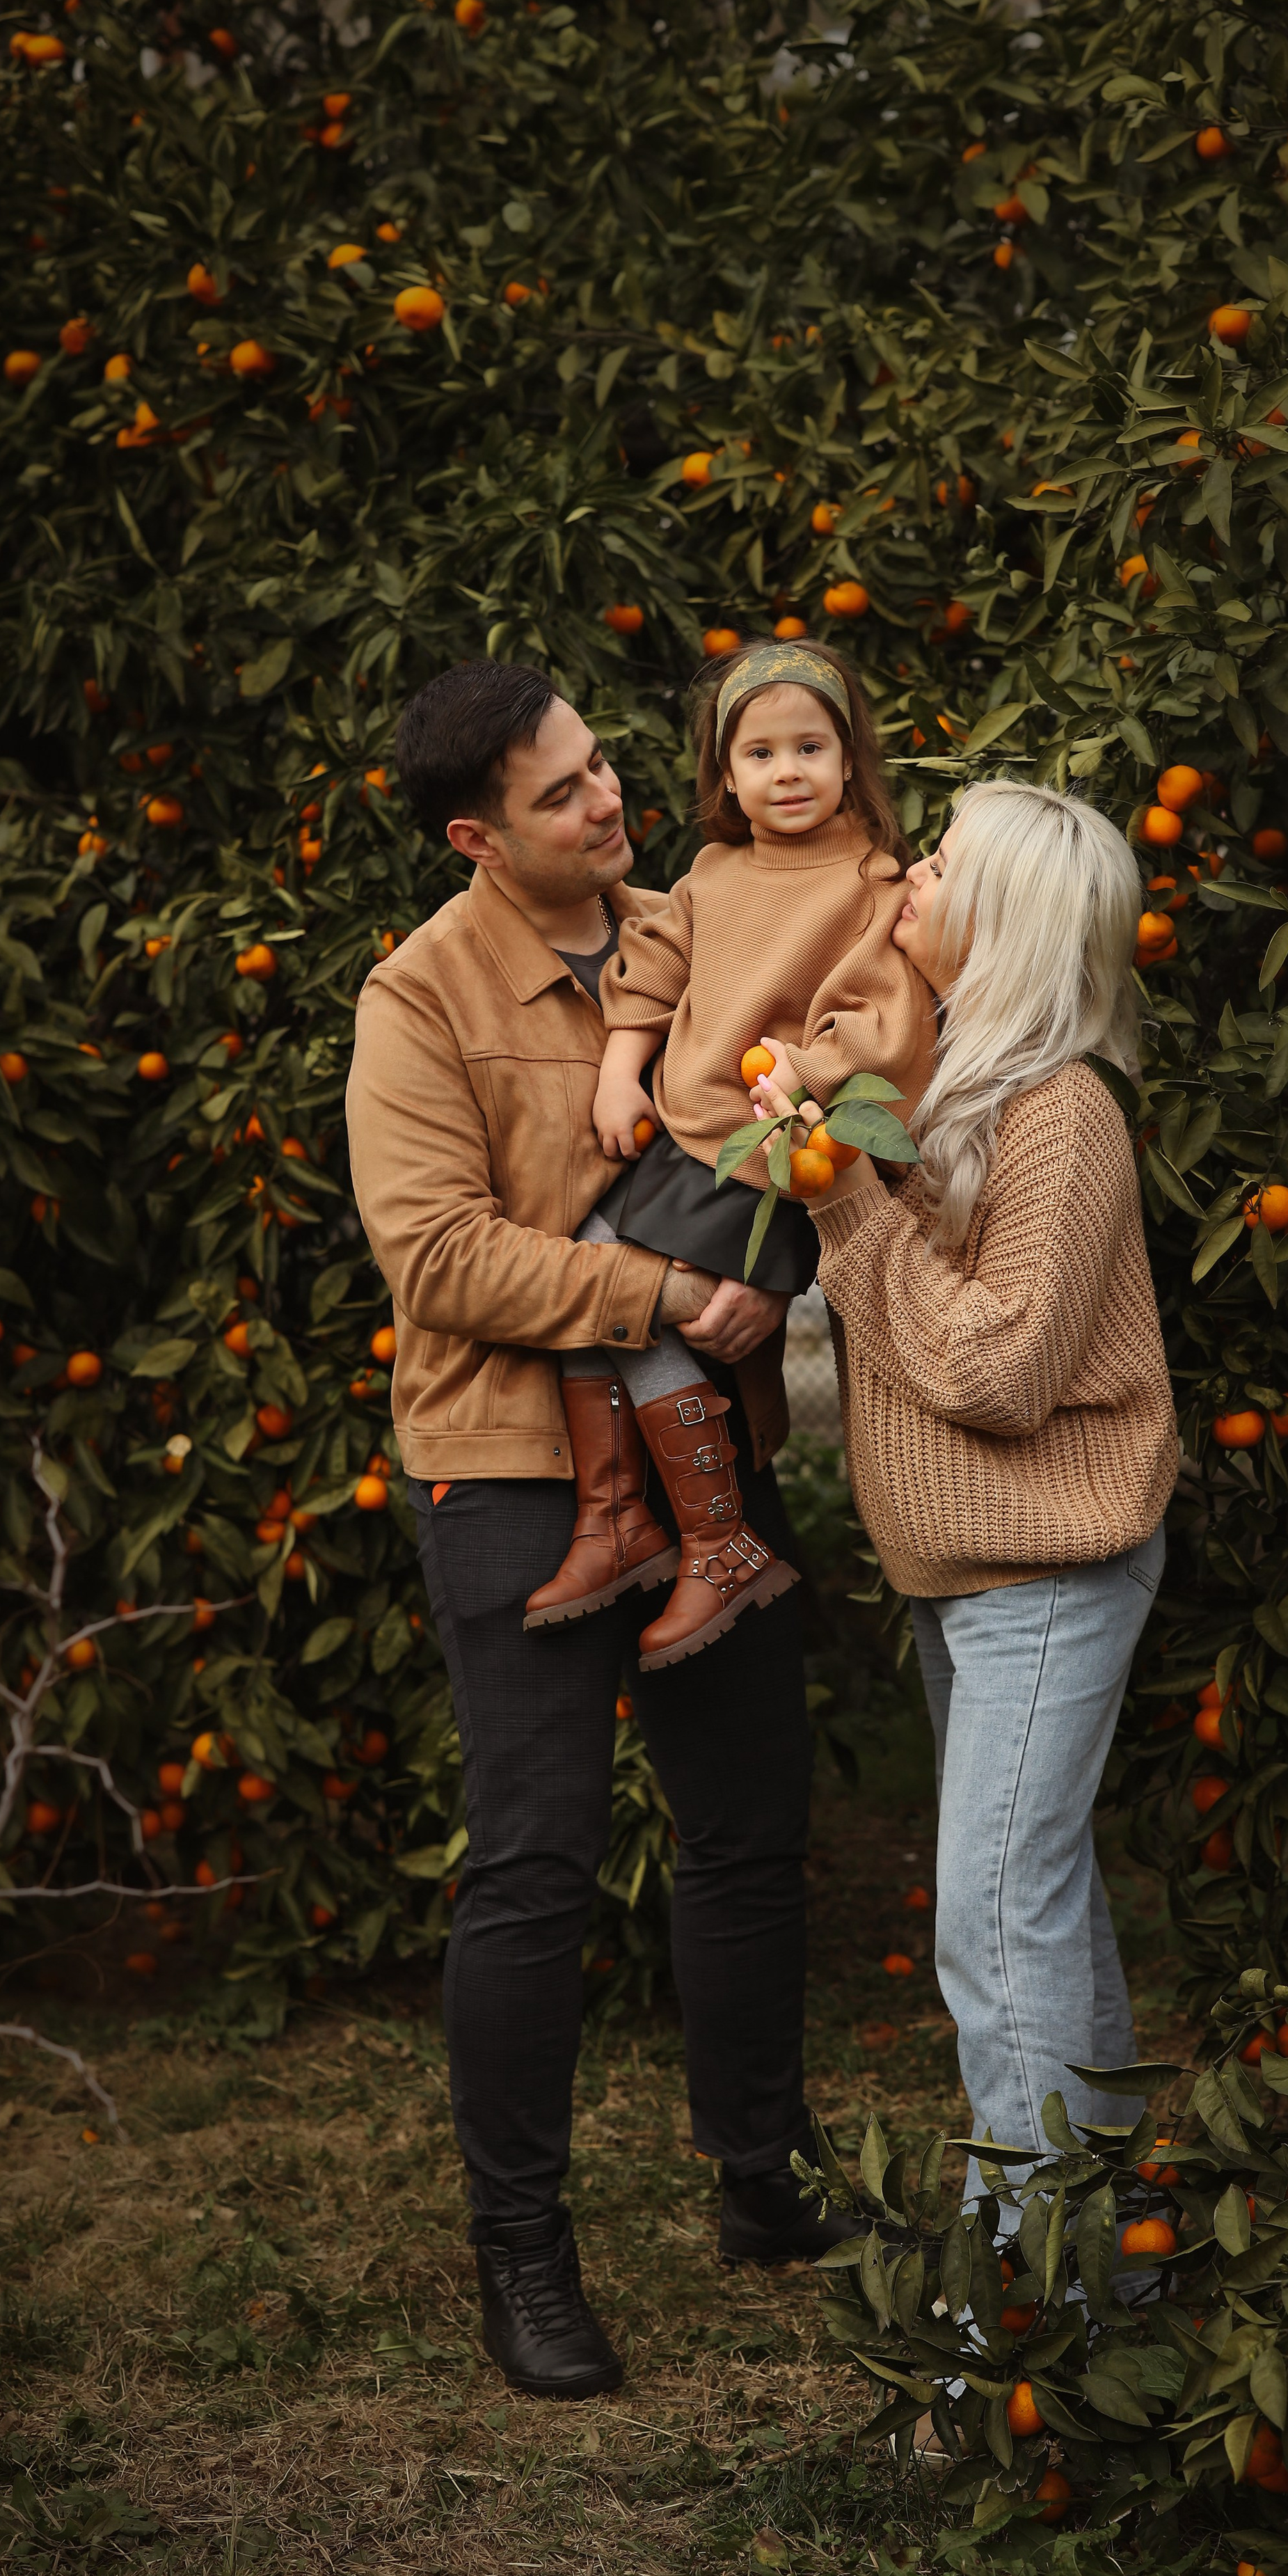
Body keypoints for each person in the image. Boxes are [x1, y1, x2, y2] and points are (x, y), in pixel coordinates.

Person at [344, 658, 854, 2406]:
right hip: (507, 1470)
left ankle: (761, 2179)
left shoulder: (698, 916)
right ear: (480, 836)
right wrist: (660, 1286)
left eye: (604, 764)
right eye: (564, 792)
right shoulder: (416, 996)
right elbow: (441, 1256)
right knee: (538, 1862)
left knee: (744, 1827)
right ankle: (525, 2256)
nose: (611, 796)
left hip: (706, 1438)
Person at [754, 777, 1177, 2199]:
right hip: (970, 1578)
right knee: (1034, 1913)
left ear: (999, 917)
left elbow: (989, 1373)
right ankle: (1097, 2288)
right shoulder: (960, 1095)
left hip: (1044, 1577)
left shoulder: (1059, 1117)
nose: (908, 876)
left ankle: (1022, 2312)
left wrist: (839, 1198)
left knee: (996, 1928)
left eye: (939, 863)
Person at [522, 636, 937, 1666]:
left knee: (624, 1285)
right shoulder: (712, 874)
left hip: (769, 1155)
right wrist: (623, 1069)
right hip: (685, 1142)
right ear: (726, 775)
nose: (786, 772)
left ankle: (706, 1536)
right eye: (759, 754)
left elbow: (886, 1027)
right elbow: (650, 969)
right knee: (585, 1275)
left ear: (851, 763)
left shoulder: (875, 883)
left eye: (809, 748)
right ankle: (630, 1517)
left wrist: (801, 1076)